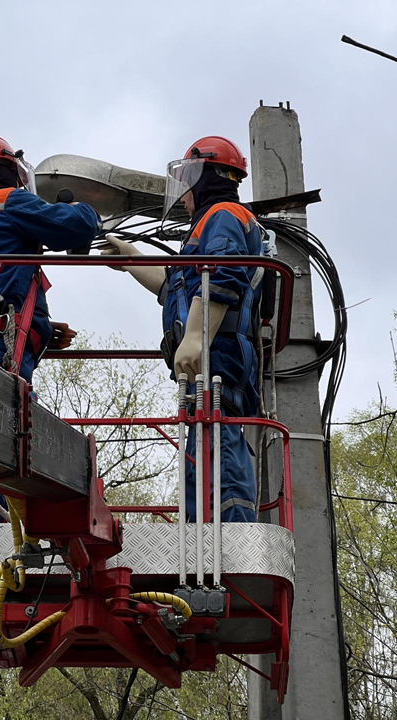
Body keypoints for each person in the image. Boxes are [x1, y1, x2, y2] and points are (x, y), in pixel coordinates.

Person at [0, 134, 100, 523]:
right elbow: (74, 227)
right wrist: (86, 211)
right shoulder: (9, 202)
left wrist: (42, 330)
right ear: (9, 170)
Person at [102, 136, 262, 522]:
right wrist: (132, 259)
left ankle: (232, 533)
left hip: (219, 350)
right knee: (202, 437)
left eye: (189, 180)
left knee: (217, 433)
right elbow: (173, 288)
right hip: (210, 351)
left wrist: (195, 336)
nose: (184, 195)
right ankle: (201, 526)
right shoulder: (207, 228)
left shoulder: (223, 215)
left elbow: (221, 276)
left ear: (206, 176)